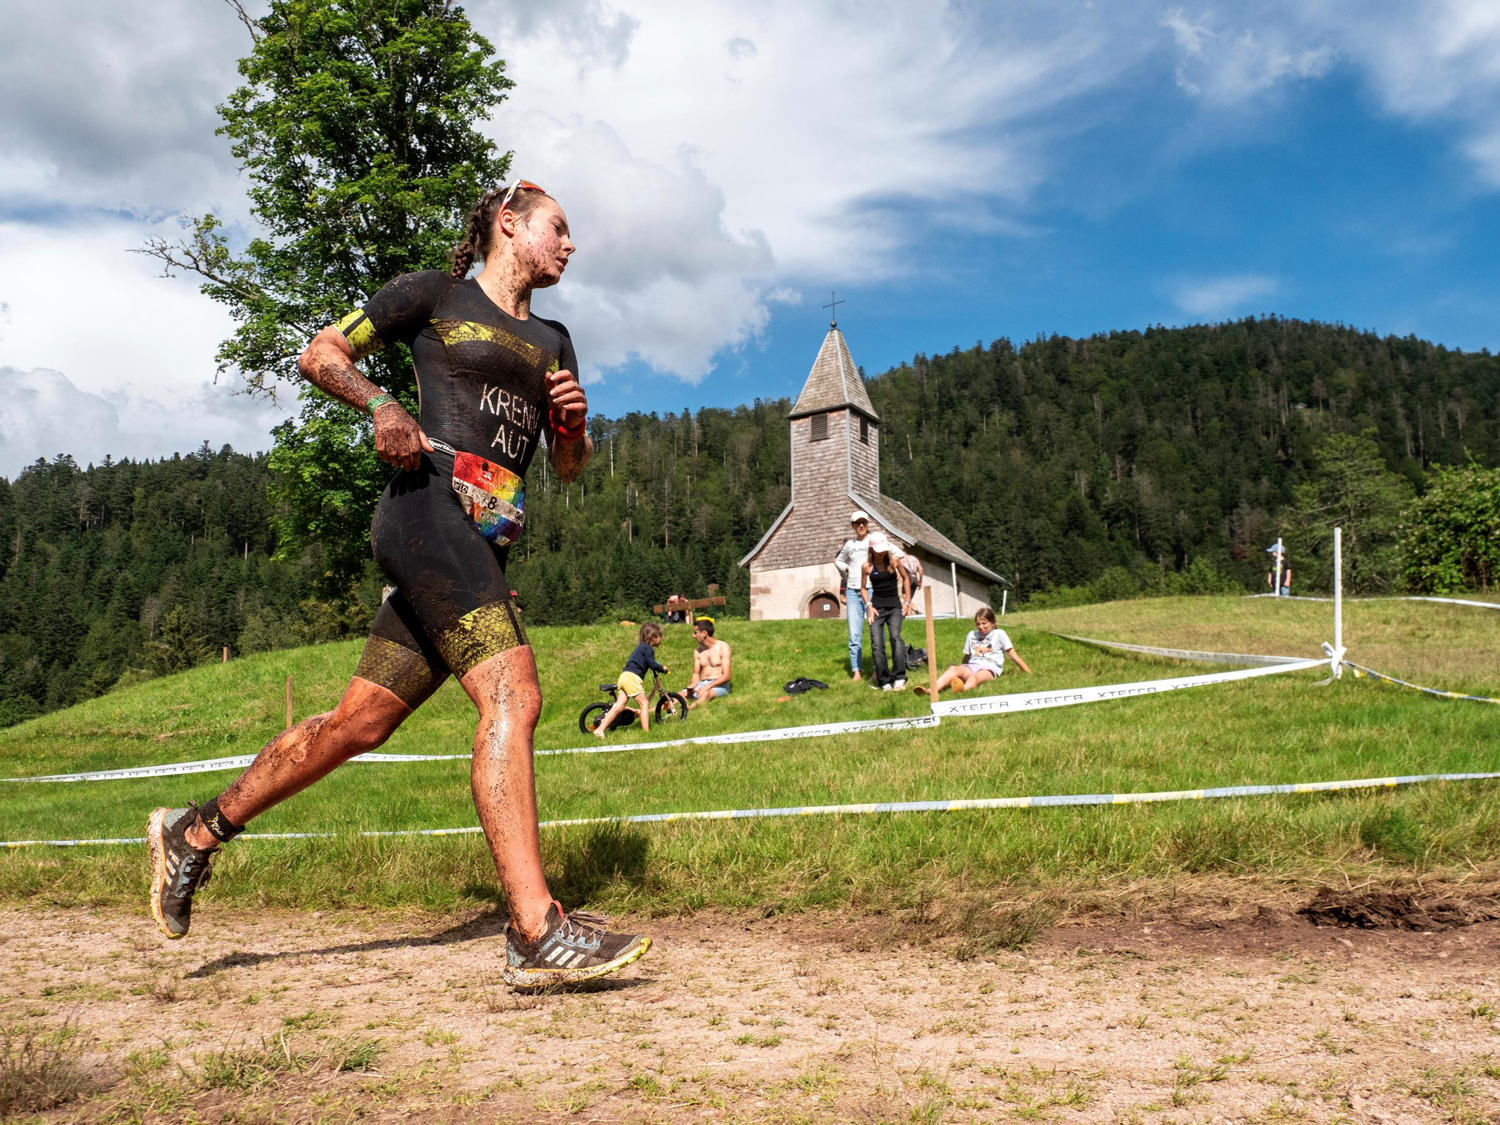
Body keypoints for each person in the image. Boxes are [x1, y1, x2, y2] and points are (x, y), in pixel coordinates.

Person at [146, 179, 650, 988]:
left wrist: (574, 425)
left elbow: (567, 466)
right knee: (513, 694)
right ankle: (534, 928)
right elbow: (321, 352)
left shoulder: (556, 340)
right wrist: (383, 404)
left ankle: (194, 833)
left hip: (480, 546)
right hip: (423, 516)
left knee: (355, 725)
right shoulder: (432, 295)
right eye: (559, 228)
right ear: (509, 224)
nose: (571, 245)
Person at [916, 607, 1030, 695]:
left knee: (974, 678)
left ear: (993, 623)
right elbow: (967, 656)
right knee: (952, 668)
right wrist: (960, 670)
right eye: (978, 624)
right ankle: (931, 691)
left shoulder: (999, 634)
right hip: (972, 665)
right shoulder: (971, 634)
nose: (980, 627)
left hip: (989, 668)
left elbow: (1013, 655)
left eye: (984, 623)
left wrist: (1028, 673)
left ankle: (963, 689)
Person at [594, 622, 669, 736]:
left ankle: (600, 730)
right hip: (632, 678)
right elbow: (652, 663)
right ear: (654, 637)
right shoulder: (648, 648)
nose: (661, 639)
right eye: (660, 636)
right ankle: (646, 733)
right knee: (644, 704)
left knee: (619, 706)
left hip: (624, 676)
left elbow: (646, 662)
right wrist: (662, 668)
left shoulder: (640, 648)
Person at [862, 534, 911, 691]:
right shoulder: (867, 566)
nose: (882, 553)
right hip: (877, 608)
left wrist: (907, 602)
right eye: (878, 550)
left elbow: (906, 578)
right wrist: (869, 605)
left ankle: (899, 677)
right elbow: (862, 588)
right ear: (871, 549)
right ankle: (884, 681)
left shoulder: (894, 561)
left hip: (894, 607)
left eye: (883, 550)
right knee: (877, 644)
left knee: (895, 638)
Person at [833, 510, 873, 680]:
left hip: (871, 589)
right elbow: (838, 560)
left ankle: (878, 670)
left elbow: (893, 554)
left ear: (867, 524)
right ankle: (857, 671)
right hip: (852, 591)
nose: (861, 525)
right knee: (854, 634)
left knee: (875, 632)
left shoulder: (874, 541)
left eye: (863, 522)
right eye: (858, 523)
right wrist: (847, 568)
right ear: (853, 526)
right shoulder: (849, 545)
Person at [684, 617, 732, 709]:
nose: (693, 636)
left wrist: (708, 686)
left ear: (704, 633)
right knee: (679, 695)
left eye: (695, 633)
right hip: (701, 683)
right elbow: (696, 674)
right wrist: (693, 685)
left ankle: (690, 708)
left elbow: (727, 676)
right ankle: (652, 710)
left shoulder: (723, 647)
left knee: (705, 694)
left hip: (720, 685)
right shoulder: (698, 650)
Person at [899, 548, 924, 617]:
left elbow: (899, 572)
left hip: (908, 578)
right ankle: (909, 615)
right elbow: (921, 569)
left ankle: (915, 609)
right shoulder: (915, 558)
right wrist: (920, 581)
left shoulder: (902, 559)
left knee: (905, 597)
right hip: (915, 578)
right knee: (909, 598)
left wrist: (895, 580)